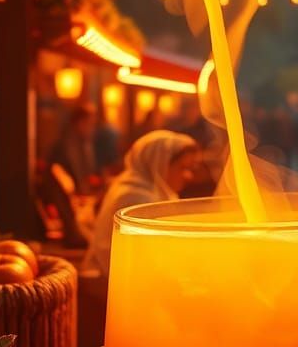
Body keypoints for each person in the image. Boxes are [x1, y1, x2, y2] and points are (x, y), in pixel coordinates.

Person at [83, 131, 202, 276]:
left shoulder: (147, 190)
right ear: (158, 163)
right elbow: (147, 259)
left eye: (190, 169)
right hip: (109, 282)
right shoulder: (135, 198)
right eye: (182, 168)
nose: (188, 176)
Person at [50, 103, 98, 194]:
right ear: (80, 123)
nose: (93, 129)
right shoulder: (65, 146)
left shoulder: (85, 143)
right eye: (91, 124)